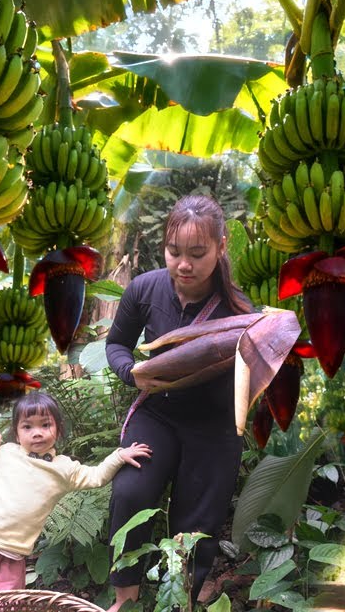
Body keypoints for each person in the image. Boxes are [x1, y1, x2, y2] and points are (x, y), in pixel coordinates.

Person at [105, 195, 254, 611]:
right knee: (131, 492)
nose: (183, 265)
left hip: (214, 427)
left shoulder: (240, 311)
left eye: (197, 254)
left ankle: (179, 601)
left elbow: (254, 377)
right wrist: (131, 372)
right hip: (158, 413)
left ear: (221, 247)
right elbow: (116, 344)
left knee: (197, 523)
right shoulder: (145, 288)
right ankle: (125, 599)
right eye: (174, 252)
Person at [0, 391, 152, 602]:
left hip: (12, 556)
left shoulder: (64, 469)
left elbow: (95, 476)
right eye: (27, 427)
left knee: (2, 605)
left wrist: (118, 456)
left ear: (58, 429)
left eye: (45, 425)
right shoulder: (4, 452)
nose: (37, 433)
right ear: (16, 433)